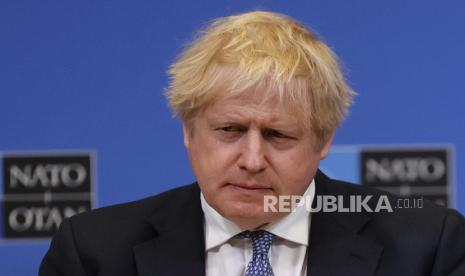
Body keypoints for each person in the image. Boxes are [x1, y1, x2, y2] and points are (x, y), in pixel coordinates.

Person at [40, 11, 465, 276]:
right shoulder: (94, 252)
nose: (252, 159)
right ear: (188, 131)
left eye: (278, 135)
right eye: (229, 130)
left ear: (324, 141)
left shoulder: (426, 247)